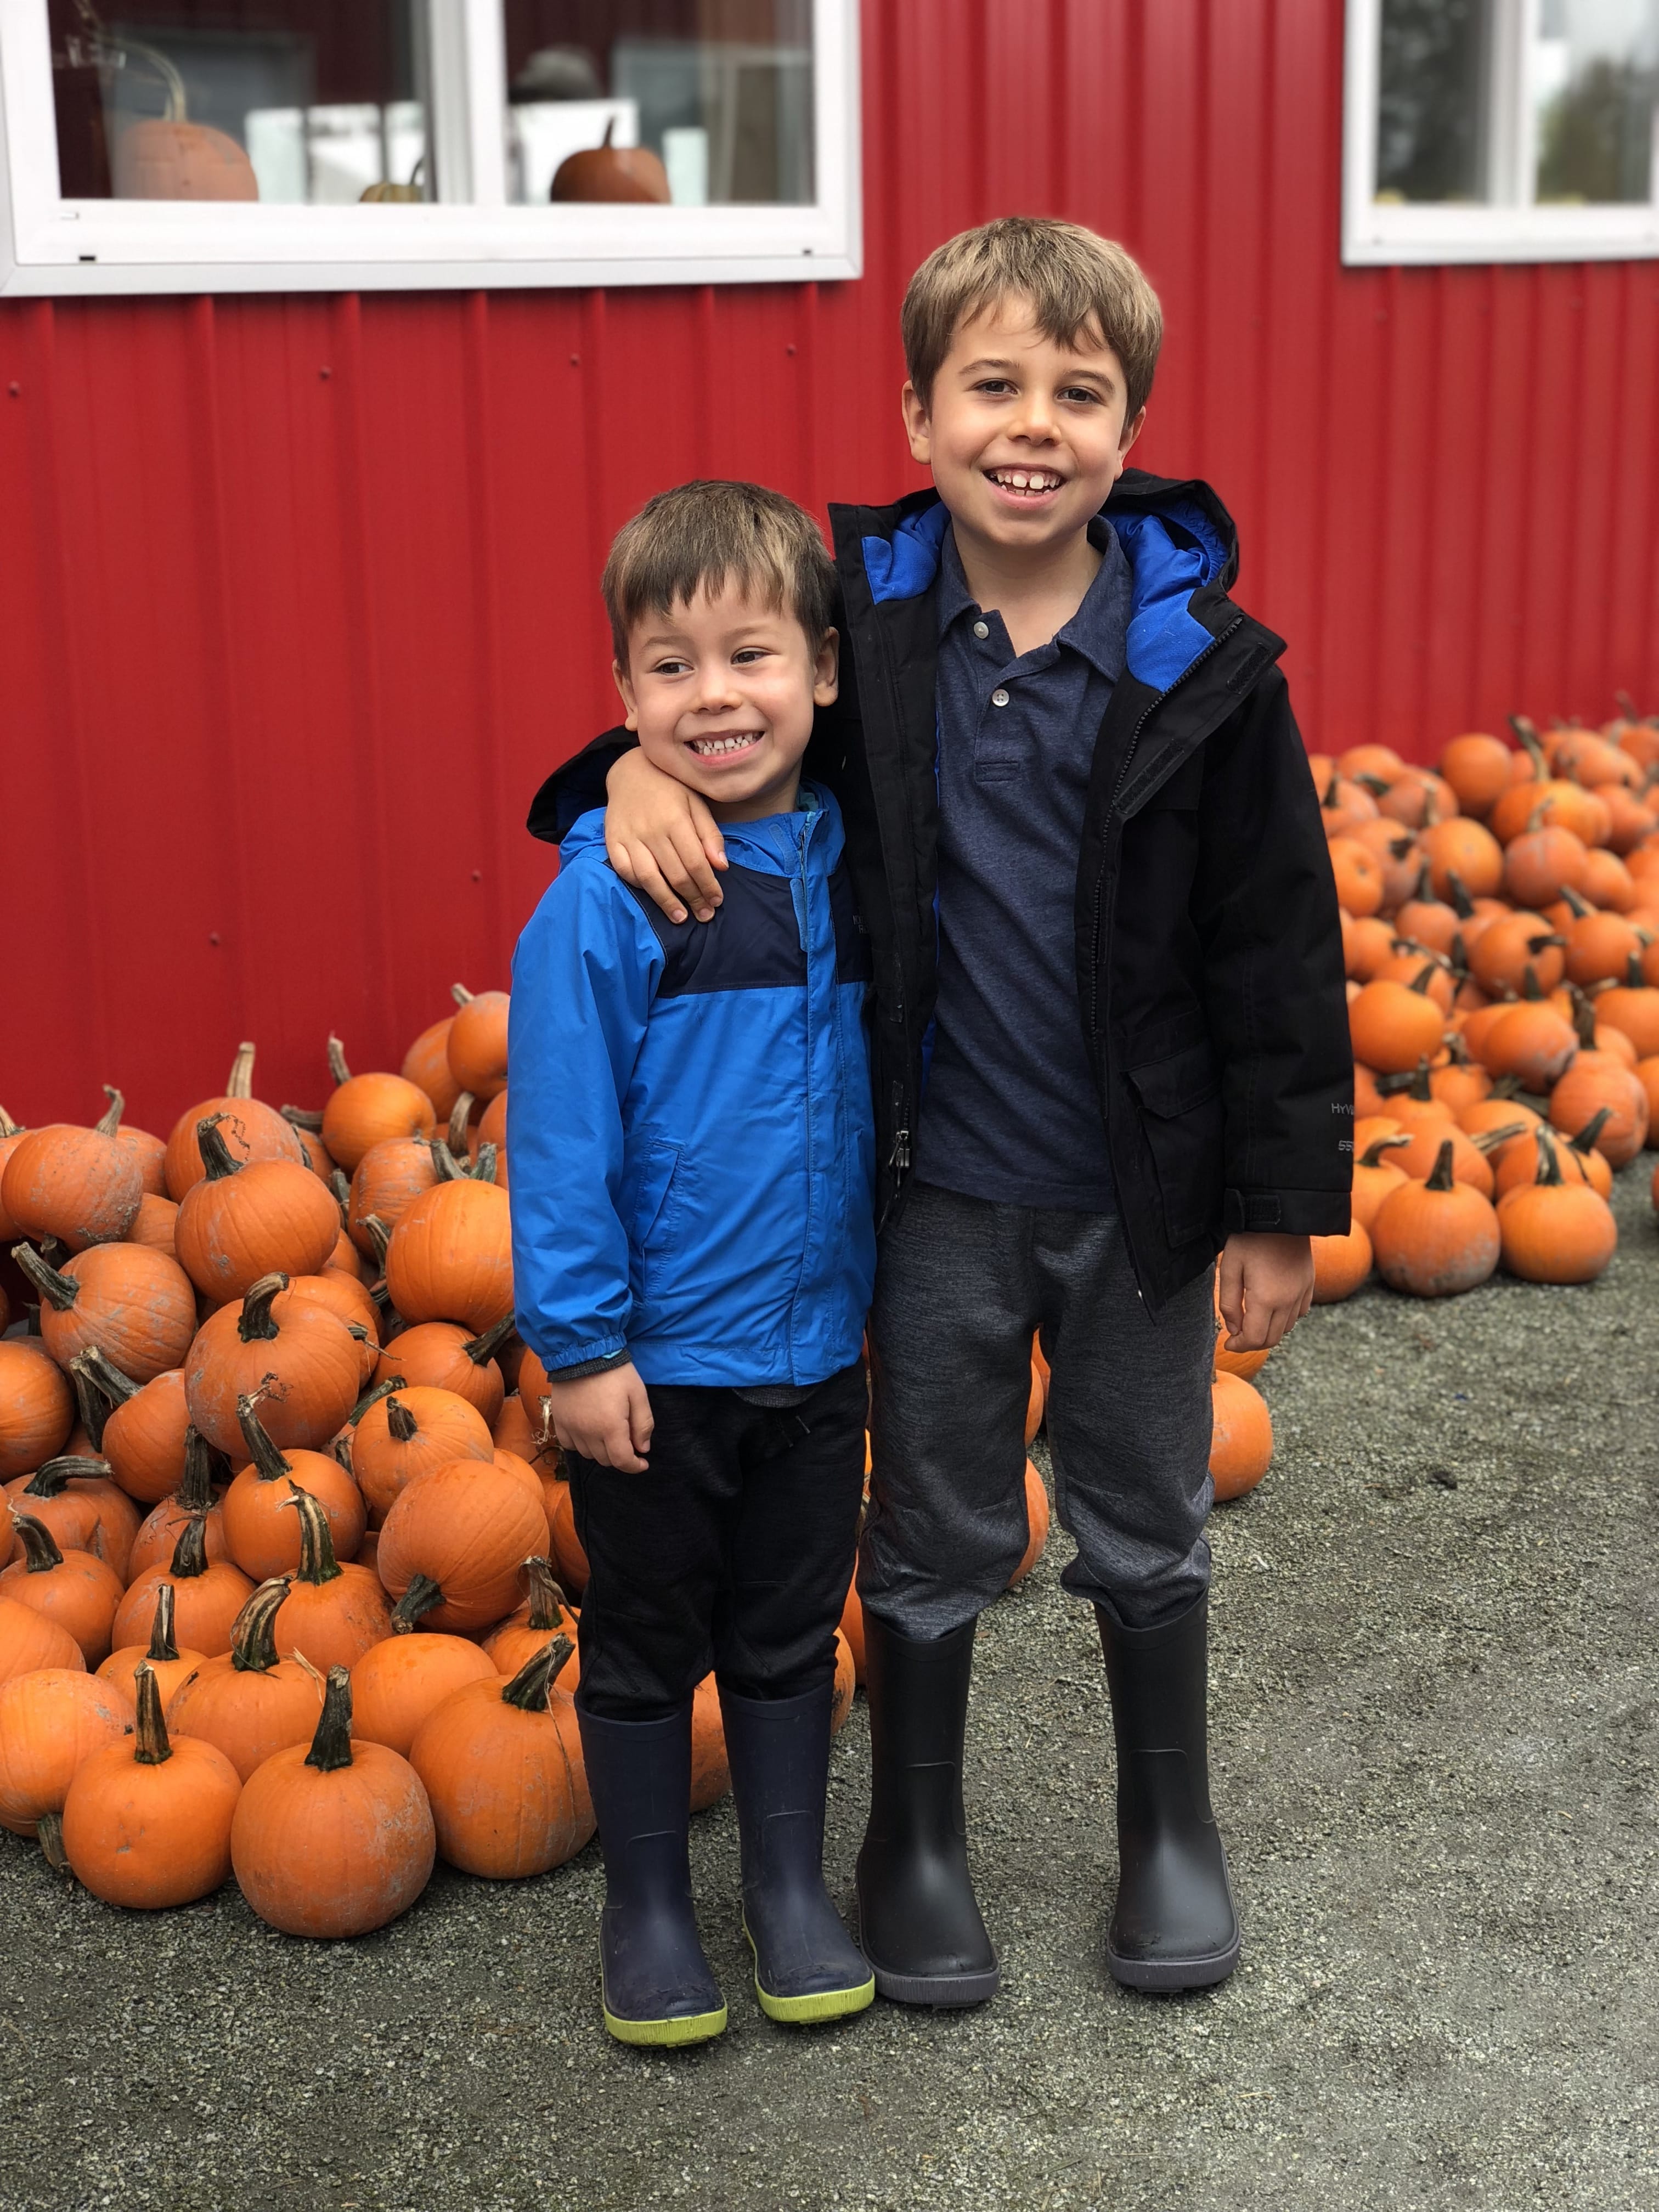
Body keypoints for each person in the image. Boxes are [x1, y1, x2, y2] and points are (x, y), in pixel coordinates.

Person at [529, 218, 1352, 2007]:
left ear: (1133, 432)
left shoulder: (1205, 671)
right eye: (992, 384)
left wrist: (1282, 1206)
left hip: (1140, 1200)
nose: (1032, 424)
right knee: (936, 1522)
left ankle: (1167, 1833)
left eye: (1080, 391)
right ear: (919, 413)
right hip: (932, 1196)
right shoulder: (874, 628)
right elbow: (717, 690)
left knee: (1143, 1503)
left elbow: (1279, 951)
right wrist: (616, 775)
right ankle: (912, 1847)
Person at [507, 479, 878, 2047]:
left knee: (795, 1627)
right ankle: (648, 1907)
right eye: (670, 669)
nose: (716, 696)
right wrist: (581, 1352)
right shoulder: (612, 896)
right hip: (661, 1371)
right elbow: (563, 1136)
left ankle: (787, 1890)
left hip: (822, 1350)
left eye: (752, 656)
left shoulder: (867, 864)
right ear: (624, 696)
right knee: (653, 1634)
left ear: (826, 673)